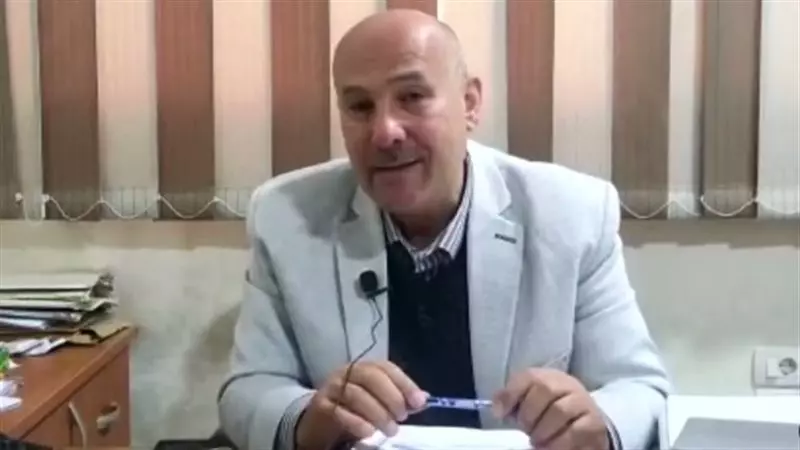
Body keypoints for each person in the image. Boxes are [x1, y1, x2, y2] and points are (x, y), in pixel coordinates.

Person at [217, 9, 670, 450]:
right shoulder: (287, 216)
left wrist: (595, 425)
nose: (385, 132)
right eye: (360, 106)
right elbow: (248, 390)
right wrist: (308, 419)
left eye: (412, 97)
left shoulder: (571, 213)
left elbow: (638, 389)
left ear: (469, 104)